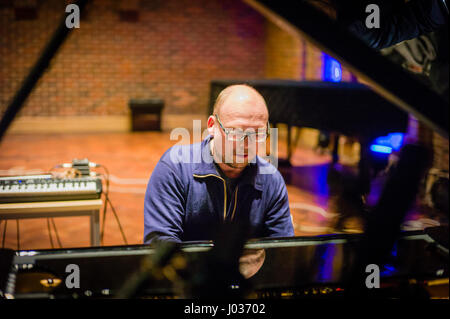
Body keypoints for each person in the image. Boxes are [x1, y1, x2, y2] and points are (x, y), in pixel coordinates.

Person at [143, 84, 294, 244]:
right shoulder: (174, 167)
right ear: (211, 126)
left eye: (258, 133)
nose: (247, 143)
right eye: (235, 131)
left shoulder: (271, 179)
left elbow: (283, 251)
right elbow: (160, 246)